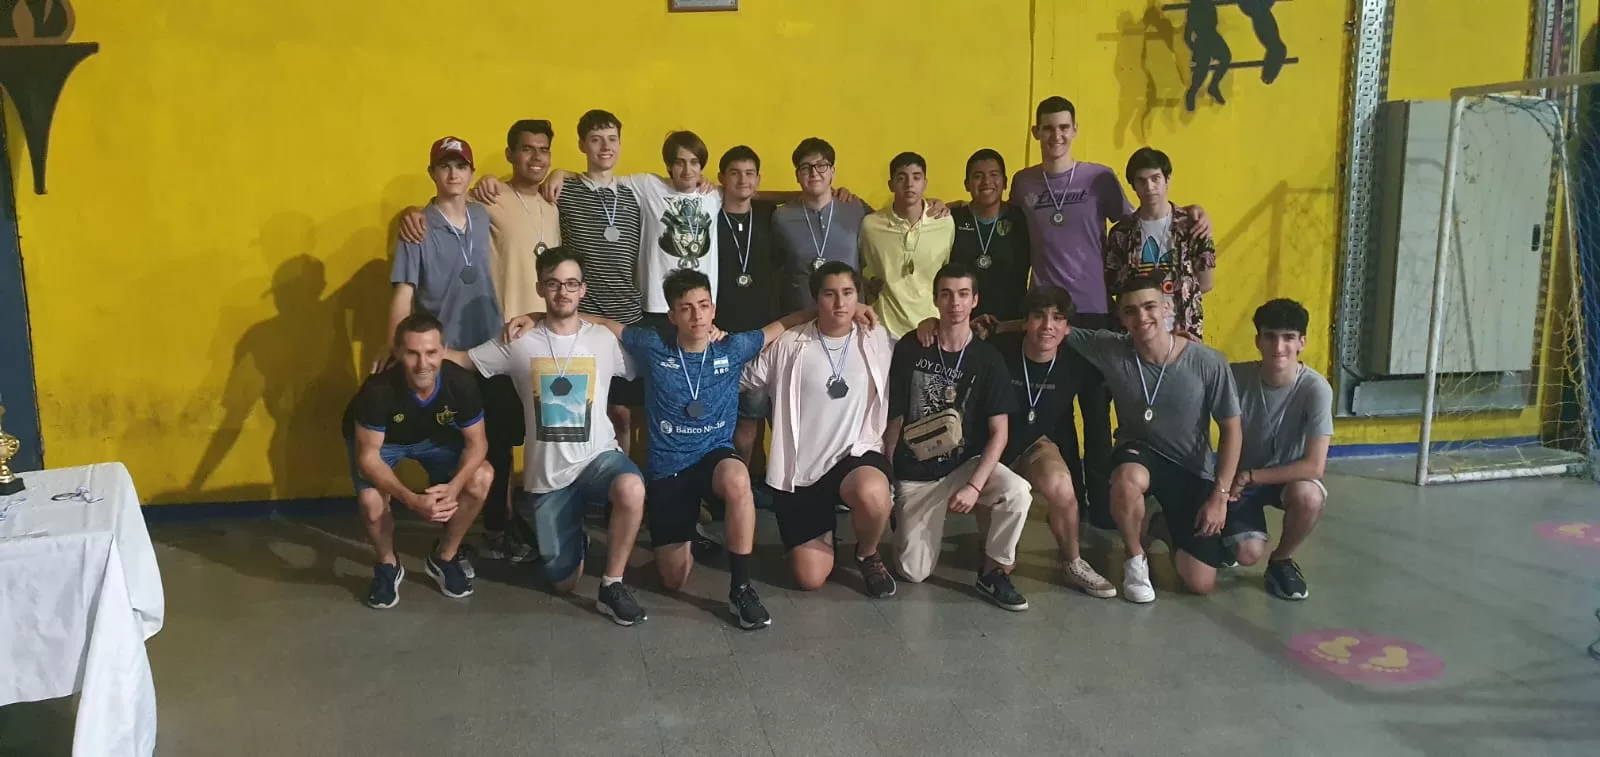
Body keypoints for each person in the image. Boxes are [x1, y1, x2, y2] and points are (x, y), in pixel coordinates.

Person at [506, 270, 878, 629]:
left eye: (703, 306)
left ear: (713, 309)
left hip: (714, 458)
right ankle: (682, 539)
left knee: (738, 480)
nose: (697, 315)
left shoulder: (733, 347)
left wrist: (849, 308)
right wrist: (538, 316)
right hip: (669, 469)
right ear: (672, 315)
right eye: (686, 308)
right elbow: (602, 322)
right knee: (673, 579)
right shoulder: (653, 345)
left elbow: (783, 324)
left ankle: (741, 589)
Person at [1010, 97, 1209, 532]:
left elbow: (1141, 221)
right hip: (1050, 316)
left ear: (1075, 130)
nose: (1056, 136)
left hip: (1098, 313)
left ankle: (1102, 506)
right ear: (1036, 132)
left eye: (1064, 127)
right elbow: (1006, 223)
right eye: (1048, 128)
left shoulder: (1098, 178)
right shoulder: (1023, 183)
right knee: (1057, 415)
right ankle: (1071, 502)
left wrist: (1192, 212)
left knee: (1098, 414)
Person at [445, 247, 651, 625]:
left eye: (572, 284)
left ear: (583, 290)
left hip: (598, 458)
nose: (563, 292)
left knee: (632, 488)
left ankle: (612, 584)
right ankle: (575, 540)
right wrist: (414, 352)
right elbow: (462, 360)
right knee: (564, 584)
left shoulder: (602, 340)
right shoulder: (517, 340)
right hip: (549, 478)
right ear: (540, 288)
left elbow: (650, 361)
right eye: (553, 284)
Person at [386, 136, 526, 567]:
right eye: (444, 166)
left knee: (499, 445)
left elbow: (521, 191)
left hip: (491, 350)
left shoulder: (482, 215)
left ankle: (498, 528)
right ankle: (452, 536)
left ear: (470, 172)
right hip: (445, 358)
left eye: (460, 166)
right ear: (432, 173)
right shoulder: (417, 228)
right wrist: (401, 351)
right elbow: (403, 295)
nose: (453, 173)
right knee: (453, 448)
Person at [1061, 275, 1241, 602]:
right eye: (1130, 311)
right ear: (1121, 317)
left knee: (1200, 582)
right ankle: (1135, 560)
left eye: (1149, 307)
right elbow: (1054, 328)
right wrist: (998, 327)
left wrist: (1220, 497)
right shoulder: (1110, 348)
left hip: (1190, 468)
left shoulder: (1207, 362)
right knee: (1127, 479)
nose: (1141, 317)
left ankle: (1158, 524)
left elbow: (1232, 430)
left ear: (1167, 309)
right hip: (1137, 453)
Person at [741, 261, 897, 597]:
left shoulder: (877, 338)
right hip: (802, 471)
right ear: (815, 300)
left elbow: (918, 351)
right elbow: (739, 376)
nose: (840, 303)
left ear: (858, 297)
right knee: (809, 578)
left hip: (855, 457)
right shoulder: (790, 343)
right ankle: (823, 534)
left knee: (873, 492)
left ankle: (867, 553)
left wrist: (930, 324)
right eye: (830, 294)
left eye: (848, 293)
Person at [886, 263, 1032, 611]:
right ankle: (904, 518)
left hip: (965, 466)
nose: (955, 303)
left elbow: (1000, 433)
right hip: (917, 474)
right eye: (947, 294)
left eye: (963, 294)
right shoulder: (912, 347)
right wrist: (889, 478)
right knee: (913, 572)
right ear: (935, 299)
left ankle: (993, 571)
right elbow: (895, 418)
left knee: (1017, 492)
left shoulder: (987, 358)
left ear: (975, 300)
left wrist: (975, 486)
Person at [343, 313, 494, 608]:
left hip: (433, 437)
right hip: (384, 442)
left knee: (481, 477)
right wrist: (411, 500)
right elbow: (368, 459)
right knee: (371, 503)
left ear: (443, 350)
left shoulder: (460, 383)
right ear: (398, 352)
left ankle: (444, 557)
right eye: (412, 353)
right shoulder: (377, 390)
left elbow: (478, 444)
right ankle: (387, 565)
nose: (423, 364)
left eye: (431, 352)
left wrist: (454, 487)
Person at [990, 288, 1116, 598]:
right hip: (991, 449)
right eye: (1039, 316)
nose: (1048, 326)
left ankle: (1073, 561)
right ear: (1024, 322)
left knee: (1062, 486)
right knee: (1001, 564)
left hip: (1035, 445)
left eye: (1058, 318)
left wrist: (1176, 340)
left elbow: (1129, 348)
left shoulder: (1076, 363)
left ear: (1068, 328)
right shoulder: (997, 351)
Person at [1222, 298, 1332, 601]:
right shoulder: (1235, 377)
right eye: (1270, 336)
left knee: (1309, 497)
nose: (1279, 347)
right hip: (1238, 482)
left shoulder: (1315, 389)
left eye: (1288, 337)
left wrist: (1251, 476)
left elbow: (1315, 466)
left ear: (1302, 343)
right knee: (1246, 554)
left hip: (1282, 478)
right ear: (1258, 341)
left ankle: (1282, 559)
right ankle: (1220, 535)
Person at [399, 120, 562, 320]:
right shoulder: (489, 196)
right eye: (527, 149)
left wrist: (561, 173)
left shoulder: (553, 203)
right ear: (509, 154)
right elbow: (445, 202)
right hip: (502, 326)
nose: (536, 157)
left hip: (545, 325)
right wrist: (409, 212)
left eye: (543, 150)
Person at [712, 146, 782, 471]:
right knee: (721, 418)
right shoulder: (708, 215)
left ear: (758, 179)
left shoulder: (770, 214)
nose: (743, 180)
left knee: (753, 419)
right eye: (735, 173)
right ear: (721, 178)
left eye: (750, 173)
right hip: (719, 333)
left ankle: (750, 481)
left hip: (762, 333)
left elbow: (802, 198)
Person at [1105, 147, 1216, 338]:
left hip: (1184, 331)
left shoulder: (1193, 226)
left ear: (1167, 179)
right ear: (1133, 186)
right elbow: (1114, 286)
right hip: (1137, 333)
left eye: (1155, 178)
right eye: (1141, 181)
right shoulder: (1121, 233)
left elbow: (1206, 283)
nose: (1149, 187)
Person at [770, 137, 874, 313]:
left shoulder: (855, 208)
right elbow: (775, 270)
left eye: (821, 165)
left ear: (832, 171)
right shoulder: (782, 217)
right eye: (806, 167)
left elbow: (887, 229)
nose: (814, 172)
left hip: (850, 316)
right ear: (797, 175)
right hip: (800, 318)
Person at [860, 152, 957, 339]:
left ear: (925, 183)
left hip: (931, 327)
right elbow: (860, 269)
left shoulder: (944, 223)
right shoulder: (871, 226)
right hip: (883, 328)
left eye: (916, 177)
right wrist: (869, 284)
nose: (909, 184)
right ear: (890, 185)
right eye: (901, 178)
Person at [950, 149, 1031, 321]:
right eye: (978, 176)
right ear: (966, 184)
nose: (986, 181)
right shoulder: (952, 220)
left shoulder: (1023, 219)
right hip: (962, 322)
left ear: (1005, 182)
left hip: (1013, 322)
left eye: (994, 175)